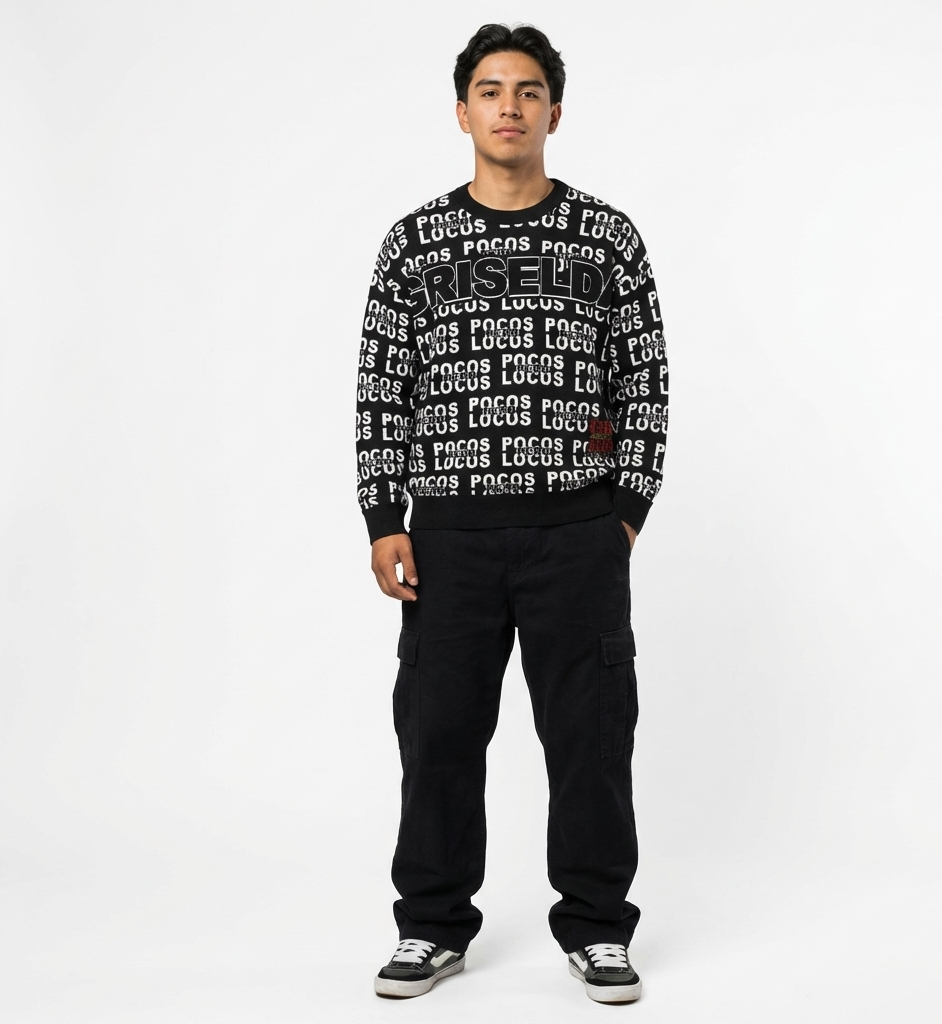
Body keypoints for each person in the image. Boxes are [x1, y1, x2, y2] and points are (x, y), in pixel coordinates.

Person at [356, 23, 668, 1004]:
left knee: (591, 737)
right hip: (449, 536)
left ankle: (597, 926)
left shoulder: (606, 239)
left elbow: (642, 382)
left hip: (576, 534)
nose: (509, 107)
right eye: (490, 90)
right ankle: (431, 924)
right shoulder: (415, 243)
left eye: (528, 91)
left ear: (554, 113)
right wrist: (384, 515)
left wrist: (621, 510)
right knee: (437, 736)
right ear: (462, 112)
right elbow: (383, 386)